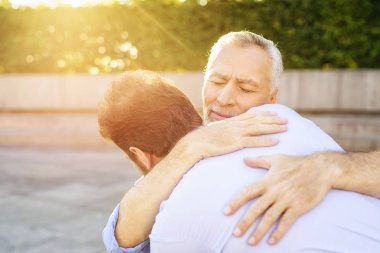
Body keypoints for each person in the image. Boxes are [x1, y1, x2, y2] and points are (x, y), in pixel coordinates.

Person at [101, 31, 380, 252]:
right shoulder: (289, 121)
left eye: (246, 88)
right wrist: (190, 147)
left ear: (272, 99)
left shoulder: (279, 122)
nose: (224, 99)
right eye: (217, 81)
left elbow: (123, 244)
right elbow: (122, 234)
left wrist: (331, 166)